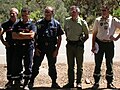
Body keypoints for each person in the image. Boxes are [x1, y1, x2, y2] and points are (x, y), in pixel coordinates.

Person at [28, 6, 64, 89]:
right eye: (46, 12)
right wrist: (35, 48)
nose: (47, 14)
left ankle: (54, 82)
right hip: (40, 48)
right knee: (36, 65)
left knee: (52, 66)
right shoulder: (39, 23)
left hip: (51, 49)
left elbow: (59, 38)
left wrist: (57, 50)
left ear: (52, 13)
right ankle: (31, 81)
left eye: (48, 12)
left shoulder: (56, 24)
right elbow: (34, 37)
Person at [91, 5, 120, 89]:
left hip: (109, 44)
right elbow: (94, 34)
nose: (103, 12)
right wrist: (93, 45)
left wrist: (116, 38)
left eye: (104, 10)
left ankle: (109, 83)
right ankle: (96, 82)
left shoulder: (113, 20)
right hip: (99, 43)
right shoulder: (97, 20)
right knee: (98, 63)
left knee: (109, 63)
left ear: (108, 11)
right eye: (102, 10)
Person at [63, 5, 89, 89]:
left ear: (78, 12)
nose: (72, 13)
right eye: (71, 11)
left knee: (79, 66)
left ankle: (78, 82)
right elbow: (66, 31)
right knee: (70, 66)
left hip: (78, 47)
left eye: (74, 12)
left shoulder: (82, 22)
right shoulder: (67, 21)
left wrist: (81, 42)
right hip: (70, 45)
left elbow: (87, 35)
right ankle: (70, 83)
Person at [12, 7, 36, 89]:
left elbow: (32, 35)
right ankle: (18, 82)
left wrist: (21, 34)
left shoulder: (32, 24)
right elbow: (14, 36)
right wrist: (26, 35)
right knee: (17, 65)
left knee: (28, 65)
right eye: (22, 15)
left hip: (28, 48)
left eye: (25, 15)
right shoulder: (17, 24)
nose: (24, 17)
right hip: (18, 47)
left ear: (29, 14)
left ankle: (26, 83)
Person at [0, 8, 19, 89]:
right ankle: (10, 80)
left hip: (19, 46)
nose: (12, 14)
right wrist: (3, 42)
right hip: (10, 47)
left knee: (18, 63)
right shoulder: (6, 24)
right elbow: (1, 33)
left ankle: (18, 80)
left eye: (13, 13)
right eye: (11, 13)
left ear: (17, 14)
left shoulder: (20, 23)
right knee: (10, 63)